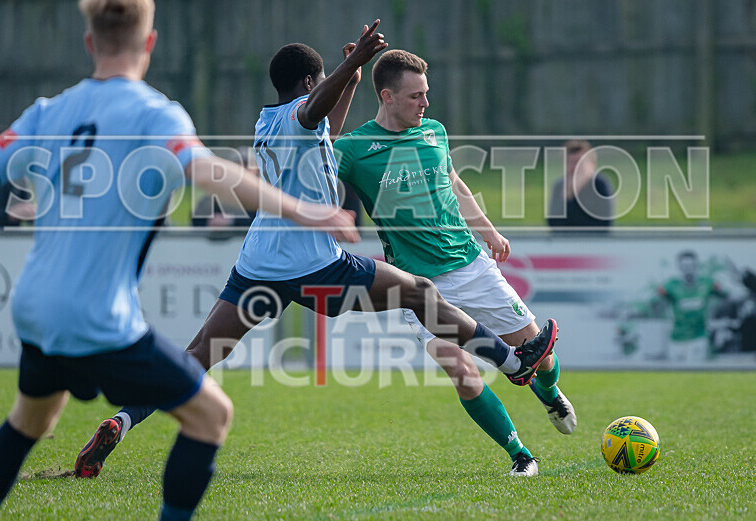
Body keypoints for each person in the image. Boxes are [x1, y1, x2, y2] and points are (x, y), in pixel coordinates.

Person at [76, 25, 558, 480]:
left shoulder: (268, 120)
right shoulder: (297, 115)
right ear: (309, 81)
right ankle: (514, 363)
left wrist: (344, 78)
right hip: (312, 265)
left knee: (201, 352)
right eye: (322, 79)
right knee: (419, 291)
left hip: (257, 264)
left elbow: (321, 123)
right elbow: (312, 113)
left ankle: (122, 420)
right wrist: (355, 66)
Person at [0, 1, 359, 520]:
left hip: (33, 305)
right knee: (211, 416)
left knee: (29, 421)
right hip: (97, 316)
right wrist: (305, 209)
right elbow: (210, 172)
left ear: (88, 44)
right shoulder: (156, 114)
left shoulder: (46, 111)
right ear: (149, 45)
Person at [332, 49, 576, 477]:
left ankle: (550, 392)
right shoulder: (353, 150)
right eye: (415, 96)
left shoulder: (434, 133)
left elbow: (455, 183)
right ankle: (521, 455)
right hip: (417, 285)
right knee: (461, 370)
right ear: (387, 96)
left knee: (539, 353)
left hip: (470, 265)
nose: (425, 104)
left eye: (427, 94)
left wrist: (489, 230)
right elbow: (314, 166)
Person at [657, 251, 727, 362]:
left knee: (695, 374)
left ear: (696, 266)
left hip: (698, 338)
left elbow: (726, 295)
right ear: (680, 267)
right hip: (677, 338)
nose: (688, 269)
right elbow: (658, 297)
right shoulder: (672, 285)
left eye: (690, 265)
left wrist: (721, 289)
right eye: (684, 266)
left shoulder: (706, 283)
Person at [547, 140, 614, 231]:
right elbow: (554, 224)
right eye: (570, 162)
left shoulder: (600, 185)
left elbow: (604, 224)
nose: (575, 167)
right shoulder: (559, 186)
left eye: (579, 162)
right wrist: (570, 195)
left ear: (592, 165)